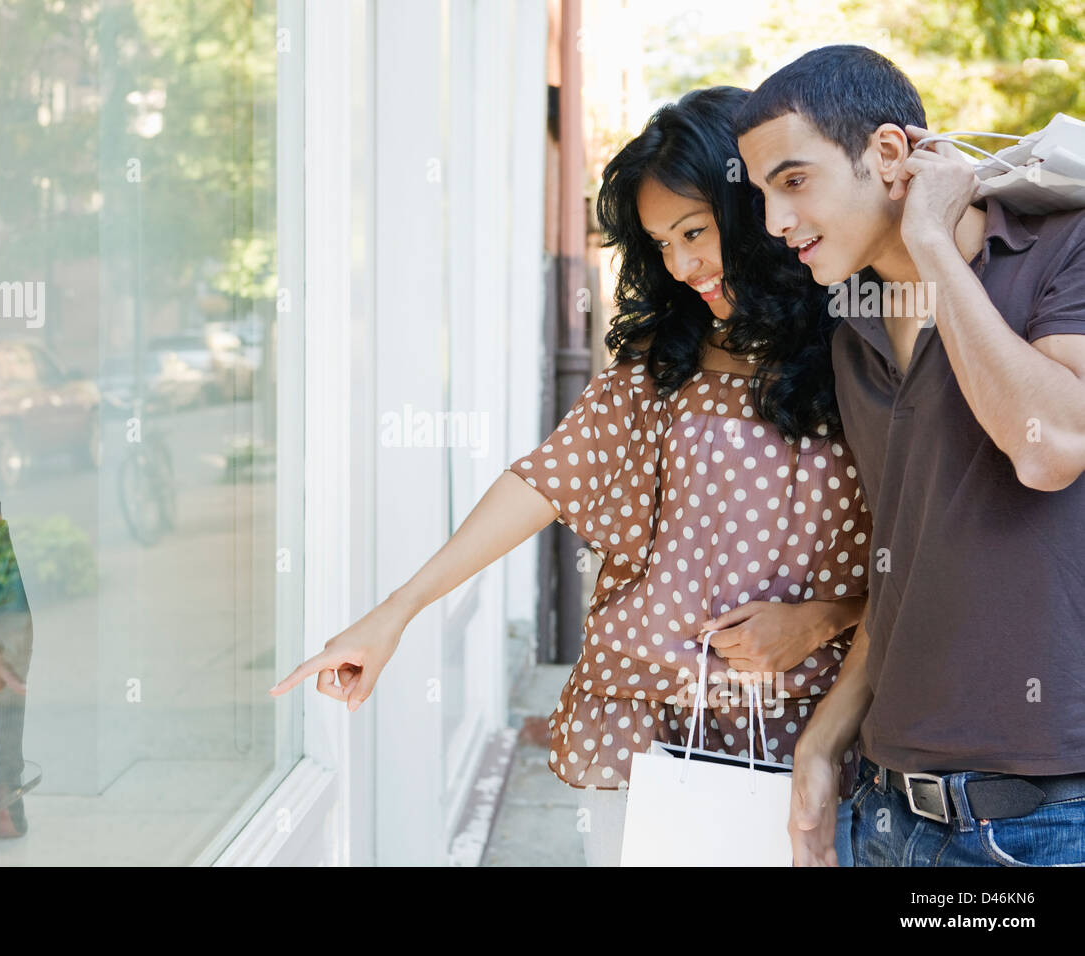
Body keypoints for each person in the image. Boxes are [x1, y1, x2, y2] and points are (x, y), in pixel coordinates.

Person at [270, 87, 872, 867]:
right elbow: (542, 482)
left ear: (753, 207)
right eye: (661, 243)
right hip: (660, 728)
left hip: (831, 731)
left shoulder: (867, 342)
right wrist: (396, 614)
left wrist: (824, 618)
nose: (683, 266)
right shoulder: (665, 363)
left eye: (695, 231)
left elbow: (931, 546)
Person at [735, 44, 1085, 867]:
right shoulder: (852, 330)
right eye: (762, 196)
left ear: (889, 155)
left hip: (1042, 823)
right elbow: (907, 568)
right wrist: (821, 748)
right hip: (886, 811)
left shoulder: (1060, 249)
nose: (775, 223)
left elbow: (1052, 447)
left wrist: (929, 239)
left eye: (793, 182)